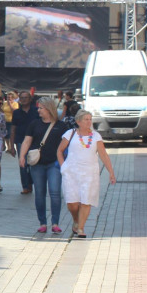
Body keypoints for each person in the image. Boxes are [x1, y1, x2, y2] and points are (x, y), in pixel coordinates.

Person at [57, 110, 116, 238]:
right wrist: (63, 167)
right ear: (78, 121)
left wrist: (111, 172)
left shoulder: (96, 136)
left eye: (90, 119)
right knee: (72, 203)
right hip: (71, 172)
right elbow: (59, 151)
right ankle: (76, 220)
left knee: (86, 200)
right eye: (86, 119)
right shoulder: (70, 134)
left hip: (90, 173)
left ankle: (81, 228)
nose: (89, 122)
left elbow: (103, 155)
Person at [19, 97, 69, 234]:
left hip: (54, 164)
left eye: (41, 108)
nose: (38, 110)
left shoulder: (61, 125)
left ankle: (55, 223)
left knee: (54, 192)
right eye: (38, 108)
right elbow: (27, 141)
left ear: (49, 108)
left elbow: (67, 145)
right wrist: (22, 156)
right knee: (39, 194)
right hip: (37, 164)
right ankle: (42, 222)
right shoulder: (34, 124)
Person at [9, 91, 39, 194]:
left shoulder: (36, 111)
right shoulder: (16, 113)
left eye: (26, 97)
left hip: (35, 141)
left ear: (30, 99)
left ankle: (31, 183)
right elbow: (13, 129)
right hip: (21, 141)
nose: (24, 99)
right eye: (22, 98)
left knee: (33, 163)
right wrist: (11, 146)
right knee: (23, 164)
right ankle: (25, 186)